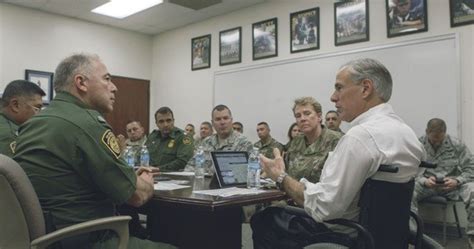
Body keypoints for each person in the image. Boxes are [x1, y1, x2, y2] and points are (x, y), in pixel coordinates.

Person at [251, 58, 425, 249]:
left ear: (366, 89)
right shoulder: (407, 134)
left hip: (348, 234)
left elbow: (325, 207)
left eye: (339, 88)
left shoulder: (360, 137)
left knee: (265, 219)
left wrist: (281, 177)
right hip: (389, 237)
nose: (333, 97)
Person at [13, 53, 175, 249]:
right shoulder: (87, 124)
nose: (114, 87)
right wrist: (146, 181)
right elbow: (137, 196)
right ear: (81, 83)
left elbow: (69, 175)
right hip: (85, 238)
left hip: (43, 238)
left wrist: (128, 176)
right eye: (107, 79)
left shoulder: (34, 123)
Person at [411, 118, 474, 248]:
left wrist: (457, 180)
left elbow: (470, 169)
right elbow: (410, 170)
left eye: (440, 139)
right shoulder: (417, 145)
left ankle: (472, 239)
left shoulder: (456, 144)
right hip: (427, 186)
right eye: (434, 139)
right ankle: (411, 236)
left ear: (445, 132)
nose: (437, 142)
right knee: (406, 191)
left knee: (473, 191)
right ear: (427, 132)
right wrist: (424, 181)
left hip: (452, 186)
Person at [285, 97, 342, 183]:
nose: (302, 119)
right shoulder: (296, 142)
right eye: (298, 116)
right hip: (293, 194)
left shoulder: (337, 140)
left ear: (319, 117)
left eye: (307, 113)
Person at [185, 105, 253, 173]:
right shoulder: (206, 142)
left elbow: (249, 173)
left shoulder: (243, 143)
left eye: (225, 118)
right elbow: (190, 166)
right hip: (204, 182)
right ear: (212, 123)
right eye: (218, 119)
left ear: (231, 120)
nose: (222, 122)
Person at [0, 80, 45, 157]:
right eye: (37, 108)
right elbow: (14, 167)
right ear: (15, 105)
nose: (40, 114)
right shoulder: (10, 136)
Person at [146, 107, 194, 172]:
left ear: (173, 121)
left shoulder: (183, 137)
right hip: (150, 175)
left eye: (168, 120)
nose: (165, 124)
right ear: (156, 124)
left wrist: (158, 169)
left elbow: (182, 162)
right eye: (161, 121)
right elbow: (142, 155)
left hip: (172, 177)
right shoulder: (153, 136)